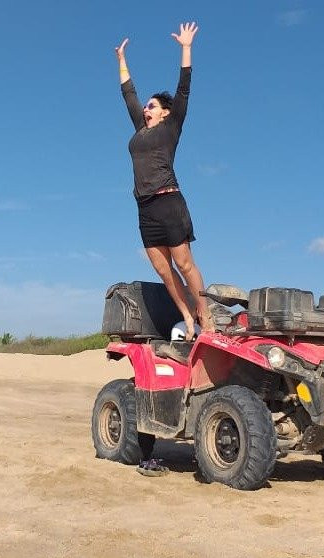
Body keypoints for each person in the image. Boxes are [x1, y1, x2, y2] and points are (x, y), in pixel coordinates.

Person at [116, 21, 213, 340]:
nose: (145, 108)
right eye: (146, 106)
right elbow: (129, 95)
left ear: (165, 113)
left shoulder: (170, 129)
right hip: (145, 208)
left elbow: (184, 88)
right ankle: (187, 315)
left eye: (152, 106)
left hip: (169, 201)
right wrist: (121, 60)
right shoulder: (140, 131)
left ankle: (206, 317)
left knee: (184, 264)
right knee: (162, 269)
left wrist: (186, 48)